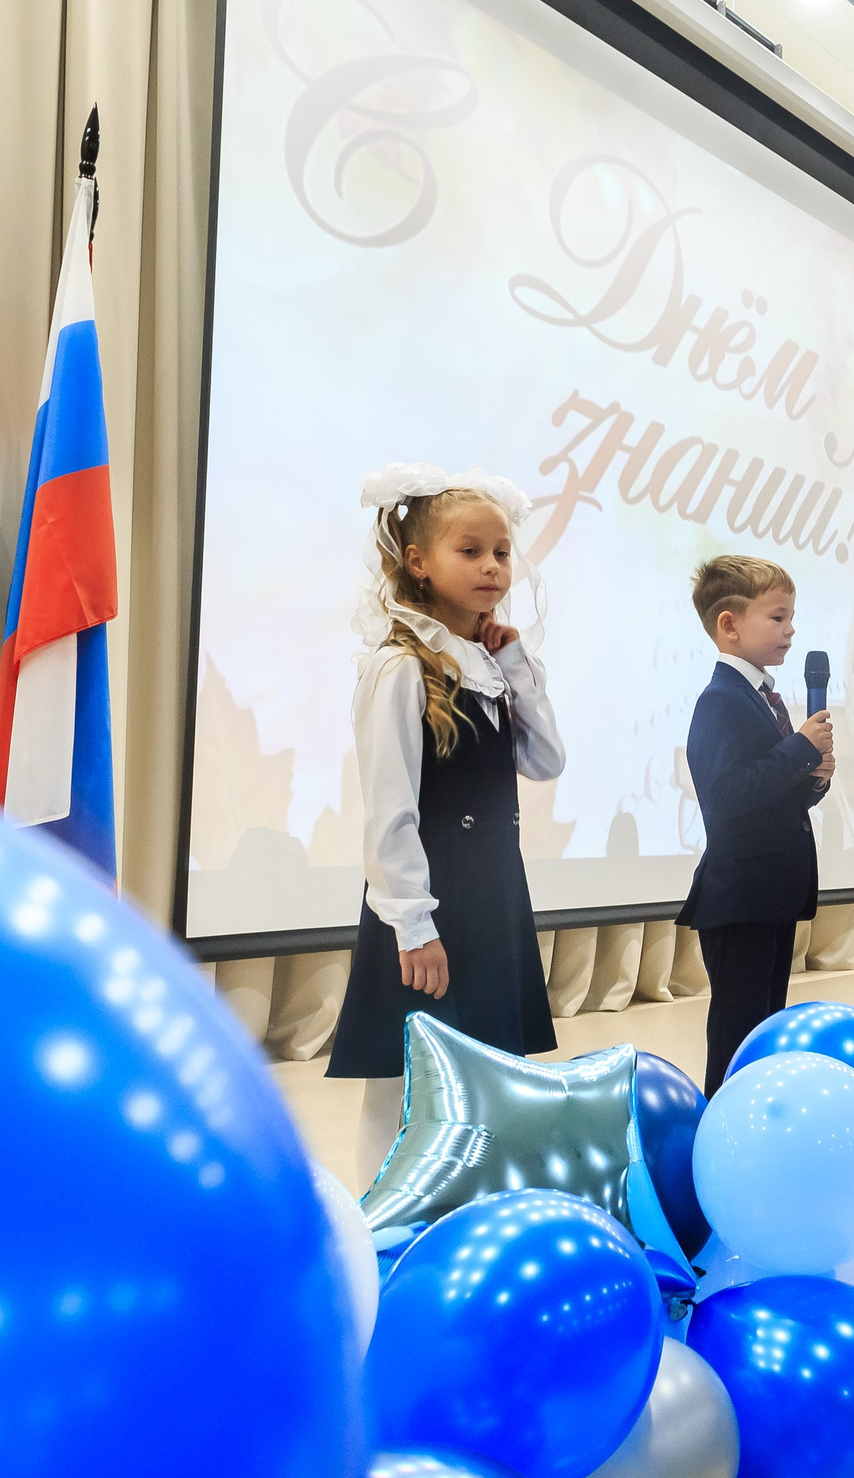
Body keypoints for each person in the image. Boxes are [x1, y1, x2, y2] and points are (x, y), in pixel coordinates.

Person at [329, 466, 566, 1184]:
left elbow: (546, 759)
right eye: (471, 551)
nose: (493, 566)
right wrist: (413, 923)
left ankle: (469, 1211)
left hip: (492, 898)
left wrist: (516, 661)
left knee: (485, 1070)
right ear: (419, 562)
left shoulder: (489, 664)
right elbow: (391, 811)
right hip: (429, 908)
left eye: (501, 552)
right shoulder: (400, 667)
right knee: (409, 1080)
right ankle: (386, 1227)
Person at [677, 554, 836, 1093]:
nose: (791, 631)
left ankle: (753, 1120)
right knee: (737, 1032)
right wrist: (797, 751)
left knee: (766, 1025)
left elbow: (770, 798)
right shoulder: (720, 700)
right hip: (739, 894)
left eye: (792, 618)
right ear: (729, 624)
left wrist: (812, 779)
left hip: (770, 891)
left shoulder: (761, 696)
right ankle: (719, 1123)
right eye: (778, 617)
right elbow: (725, 794)